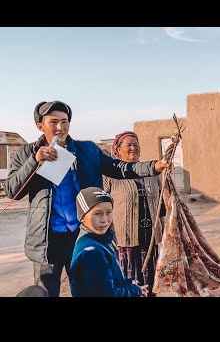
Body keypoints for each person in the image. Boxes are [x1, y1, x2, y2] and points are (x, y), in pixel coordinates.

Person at [3, 101, 170, 297]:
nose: (60, 127)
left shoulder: (87, 150)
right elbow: (12, 191)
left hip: (83, 236)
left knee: (91, 290)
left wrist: (153, 167)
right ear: (40, 126)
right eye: (53, 122)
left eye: (64, 121)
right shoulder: (26, 154)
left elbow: (119, 168)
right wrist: (35, 161)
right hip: (48, 241)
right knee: (47, 292)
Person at [103, 131, 167, 297]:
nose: (133, 148)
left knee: (151, 283)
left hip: (150, 239)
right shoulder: (110, 175)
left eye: (136, 144)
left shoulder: (152, 173)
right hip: (125, 241)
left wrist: (165, 226)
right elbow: (101, 205)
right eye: (129, 145)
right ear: (118, 149)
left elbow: (160, 203)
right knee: (129, 282)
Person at [69, 186, 148, 297]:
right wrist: (135, 291)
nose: (105, 220)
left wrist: (130, 283)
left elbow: (108, 278)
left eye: (109, 212)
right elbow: (106, 294)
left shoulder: (100, 240)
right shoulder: (92, 252)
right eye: (97, 213)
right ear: (82, 217)